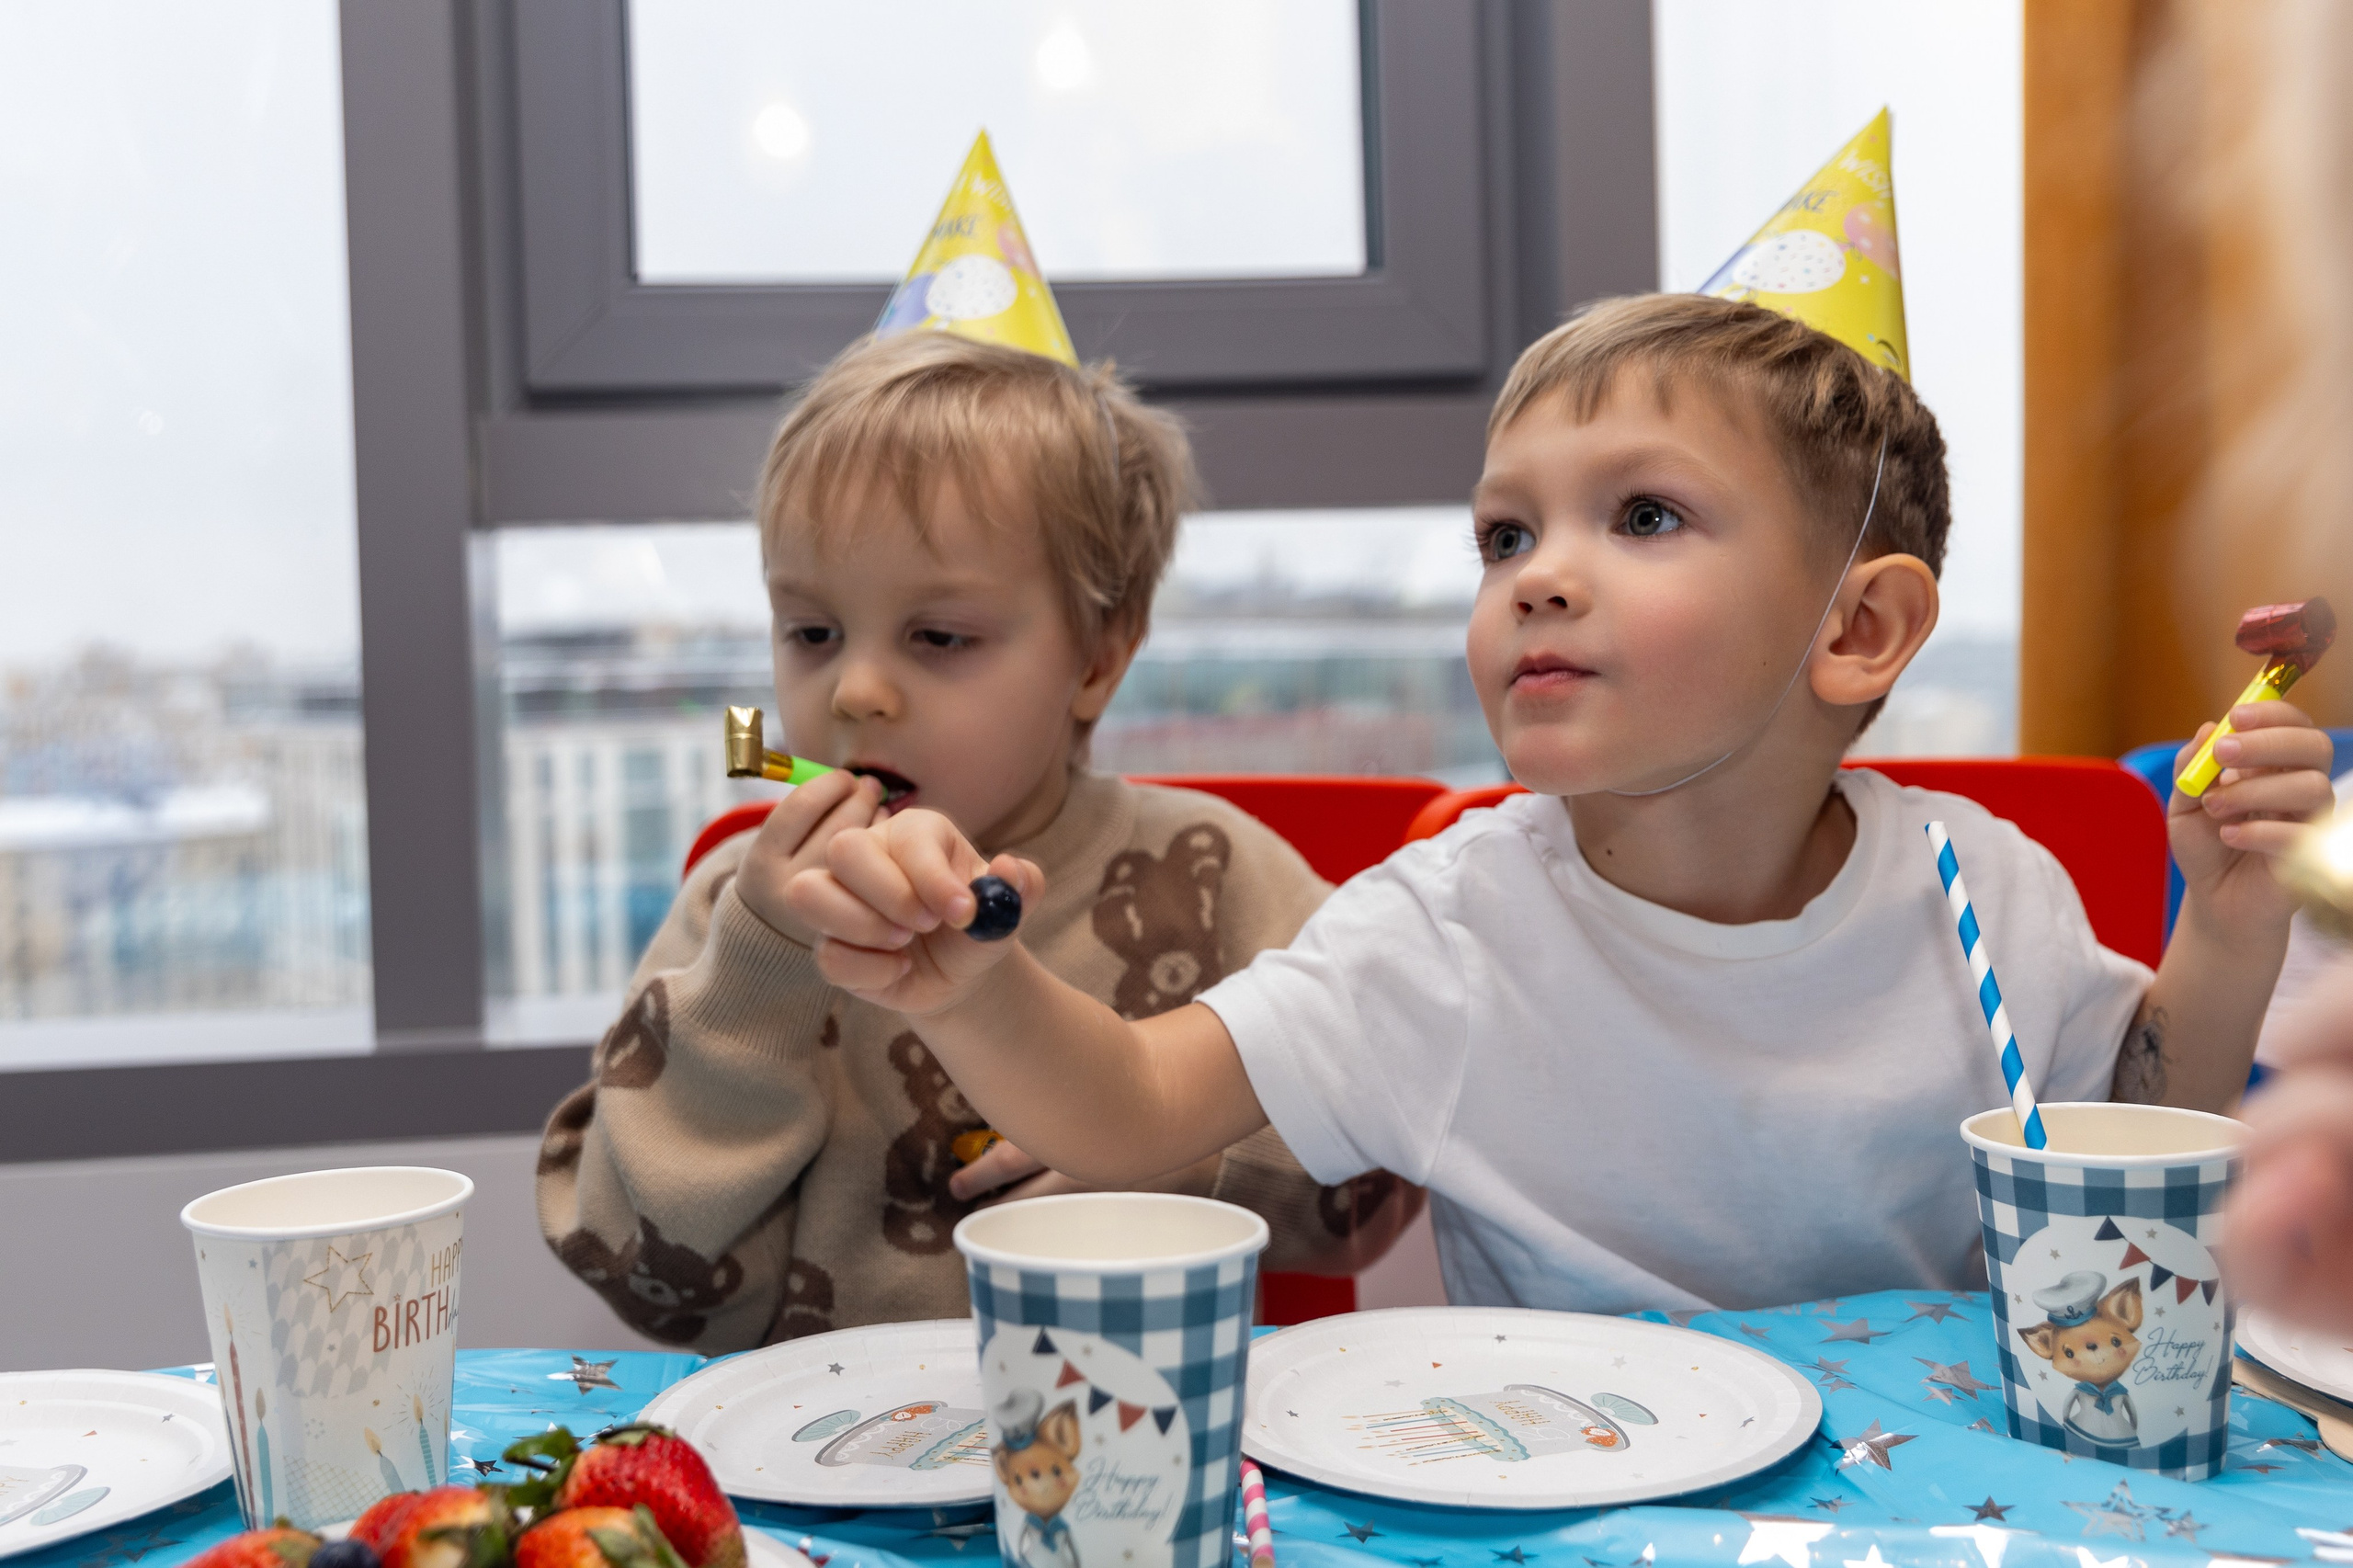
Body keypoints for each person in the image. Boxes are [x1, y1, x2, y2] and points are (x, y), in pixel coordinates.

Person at [784, 294, 2336, 1314]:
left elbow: (2151, 1126)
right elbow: (1126, 1108)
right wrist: (975, 985)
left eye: (1643, 514)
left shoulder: (1978, 887)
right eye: (1504, 535)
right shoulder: (1451, 927)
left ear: (1857, 630)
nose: (1542, 575)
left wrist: (2237, 908)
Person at [534, 332, 1419, 1349]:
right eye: (812, 634)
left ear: (1097, 656)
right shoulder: (739, 913)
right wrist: (762, 959)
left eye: (938, 636)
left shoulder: (1213, 878)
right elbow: (646, 1280)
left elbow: (1376, 1181)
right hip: (812, 1482)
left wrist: (1168, 1152)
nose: (856, 691)